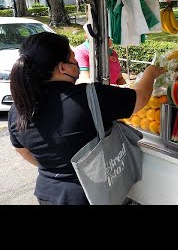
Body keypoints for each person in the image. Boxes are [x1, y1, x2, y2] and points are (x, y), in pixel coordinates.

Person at [7, 32, 164, 205]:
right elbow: (139, 99)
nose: (77, 63)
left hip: (47, 193)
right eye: (73, 58)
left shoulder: (17, 109)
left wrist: (57, 167)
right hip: (90, 195)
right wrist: (150, 73)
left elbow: (23, 151)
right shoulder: (89, 97)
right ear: (63, 68)